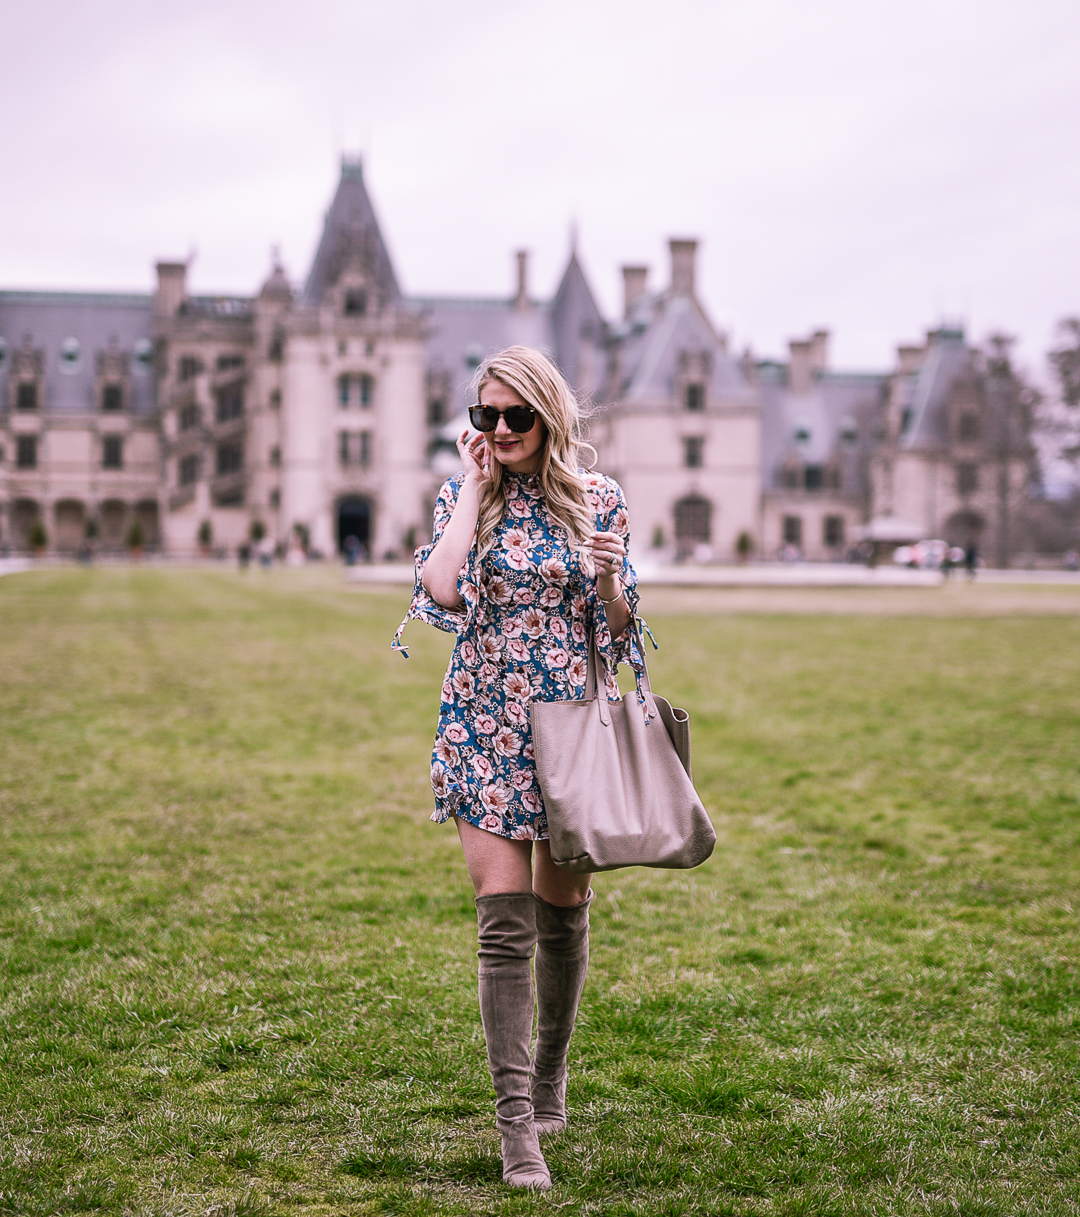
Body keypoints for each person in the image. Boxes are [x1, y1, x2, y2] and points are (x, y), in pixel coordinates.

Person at [393, 346, 644, 1190]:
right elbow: (438, 593)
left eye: (514, 417)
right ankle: (516, 1132)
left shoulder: (598, 501)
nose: (497, 431)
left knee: (562, 915)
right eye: (483, 416)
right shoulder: (464, 495)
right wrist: (470, 492)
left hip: (568, 731)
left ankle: (550, 1078)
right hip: (484, 724)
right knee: (502, 926)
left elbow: (617, 633)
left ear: (549, 417)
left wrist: (609, 580)